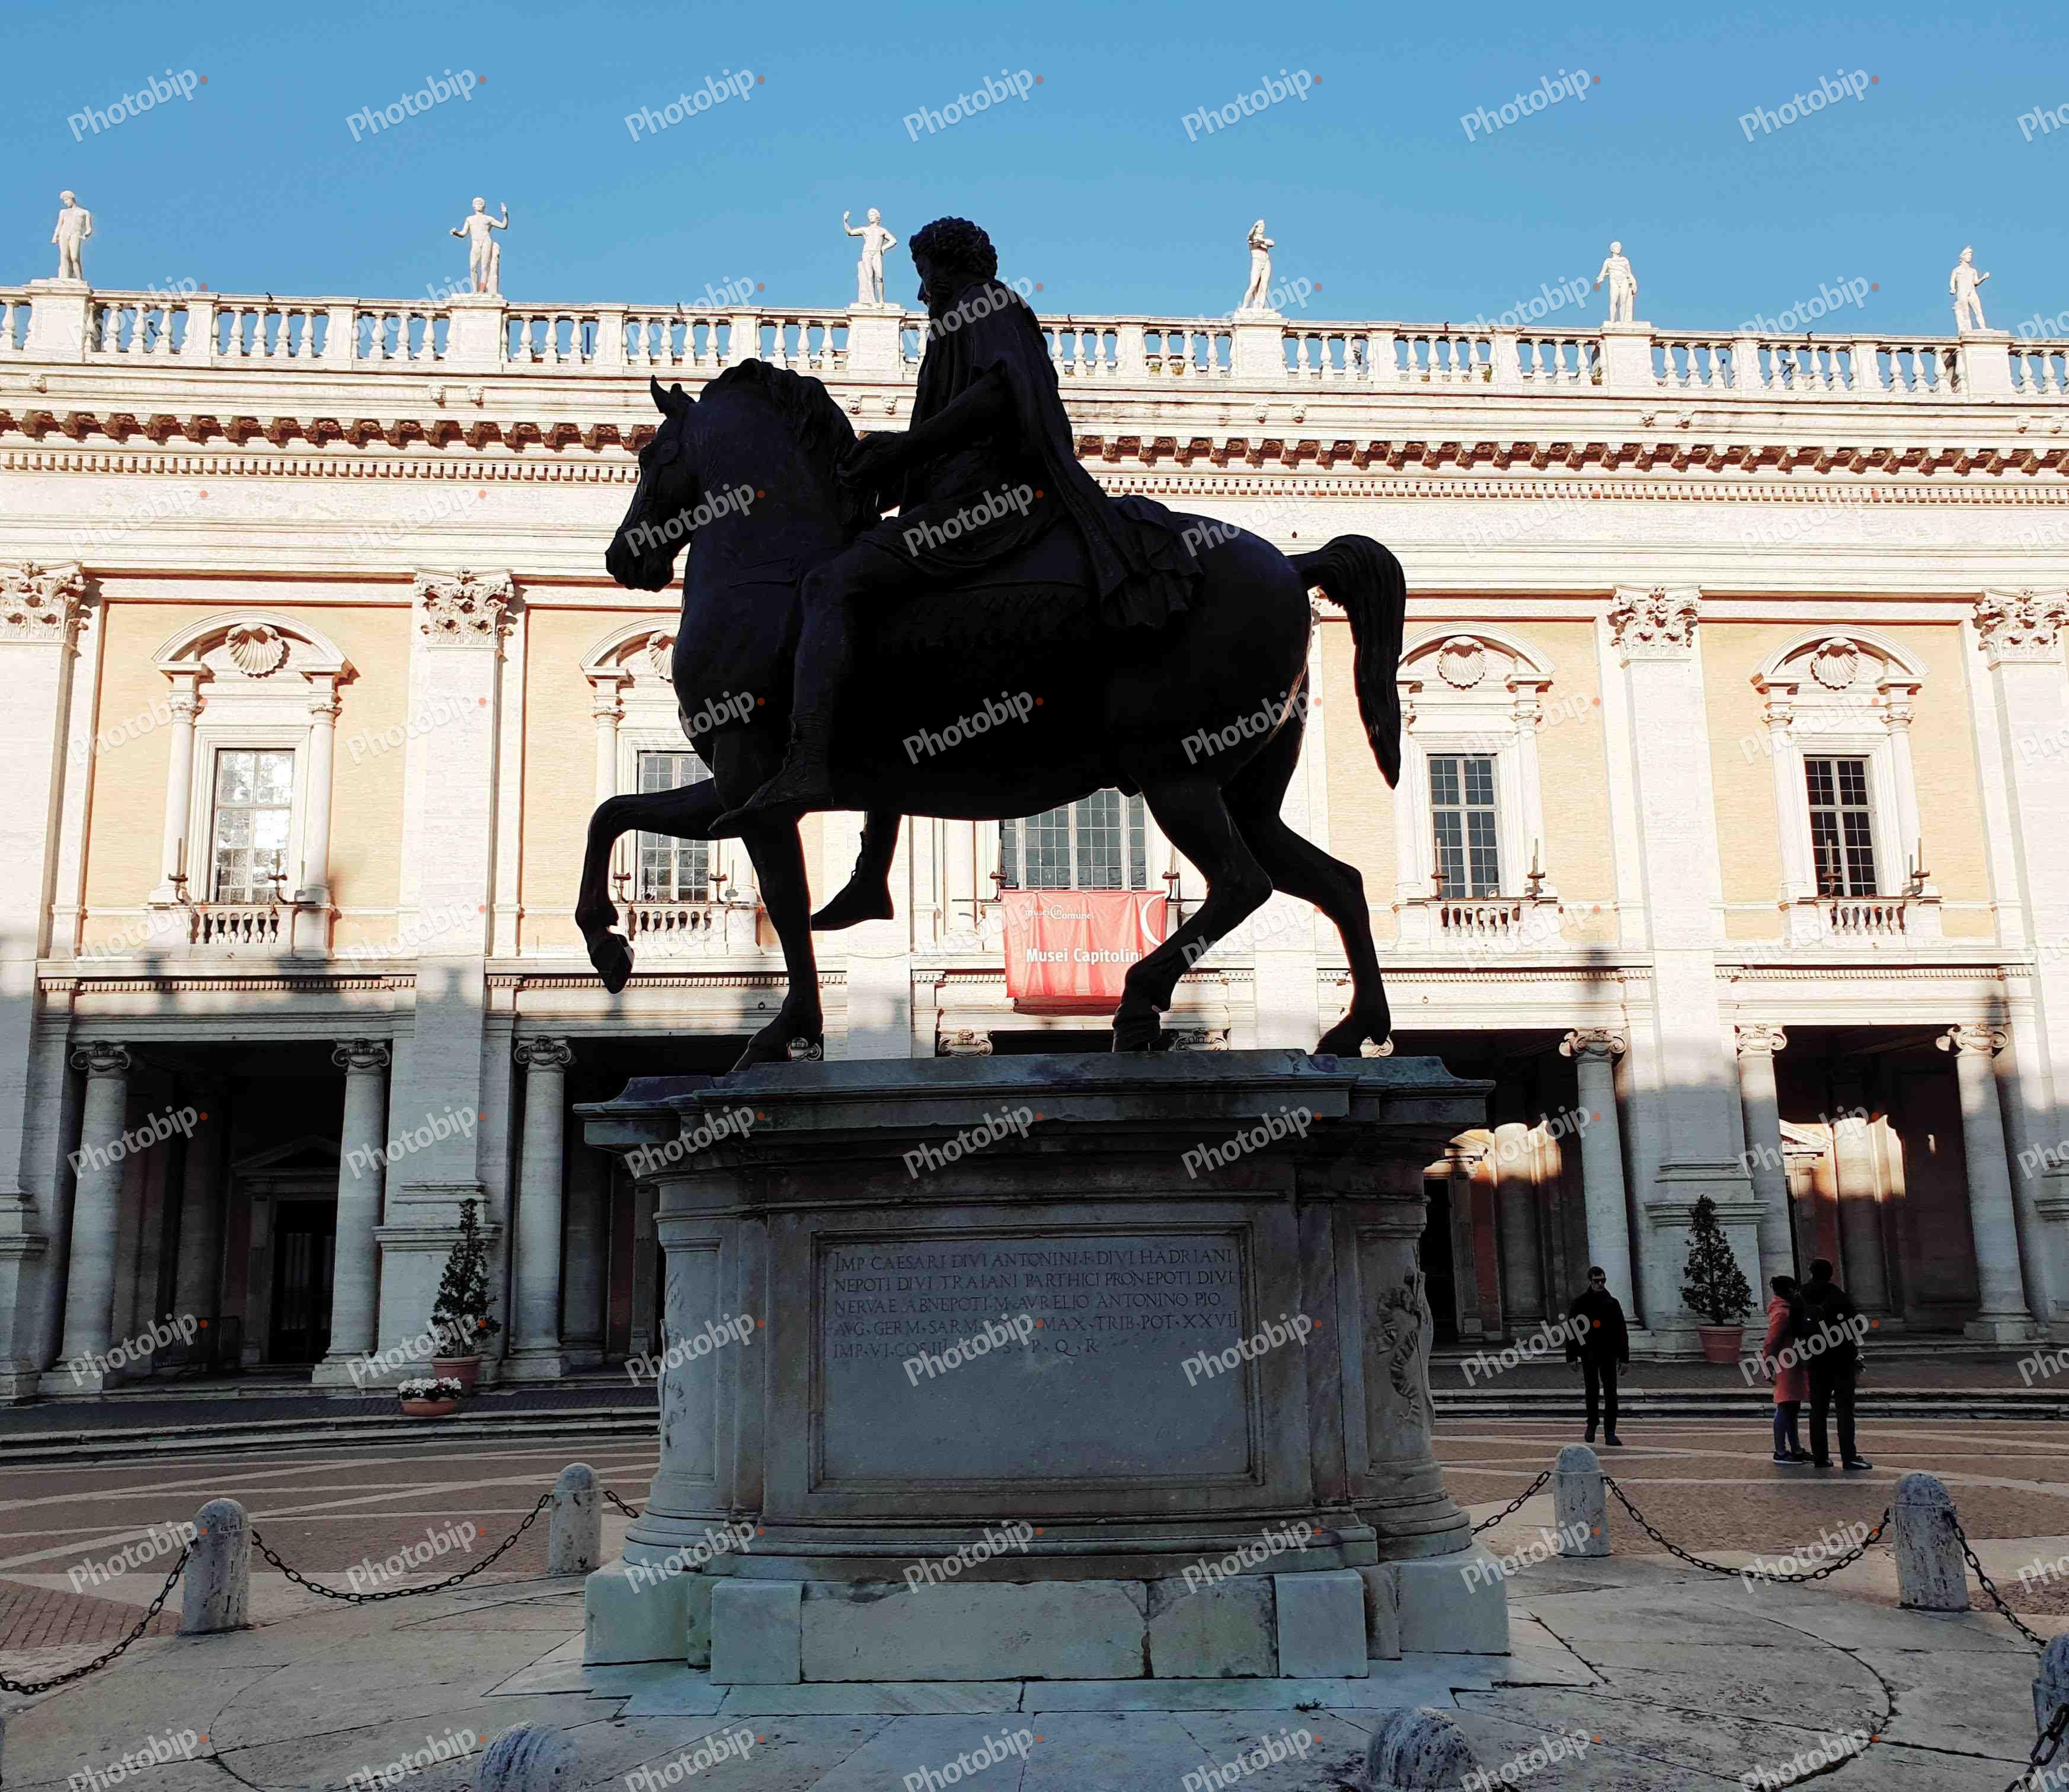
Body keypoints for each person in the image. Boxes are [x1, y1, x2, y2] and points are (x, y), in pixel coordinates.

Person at [718, 214, 1199, 828]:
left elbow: (996, 397)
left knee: (829, 585)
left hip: (993, 505)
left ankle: (807, 761)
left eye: (925, 274)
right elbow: (941, 444)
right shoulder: (962, 323)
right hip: (966, 498)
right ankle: (873, 852)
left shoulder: (983, 305)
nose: (920, 292)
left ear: (951, 267)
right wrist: (877, 470)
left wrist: (903, 449)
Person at [1791, 1259, 1872, 1471]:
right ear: (1830, 1274)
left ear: (1811, 1273)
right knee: (1845, 1411)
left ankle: (1820, 1457)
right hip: (1842, 1359)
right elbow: (1856, 1327)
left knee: (1818, 1410)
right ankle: (1849, 1457)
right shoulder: (1839, 1296)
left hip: (1816, 1359)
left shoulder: (1801, 1296)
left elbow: (1795, 1329)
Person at [1564, 1266, 1629, 1447]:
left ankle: (1610, 1432)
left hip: (1609, 1353)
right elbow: (1572, 1330)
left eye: (1603, 1280)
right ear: (1590, 1281)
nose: (1600, 1284)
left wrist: (1624, 1358)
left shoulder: (1613, 1303)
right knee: (1591, 1390)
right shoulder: (1580, 1303)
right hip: (1589, 1352)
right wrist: (1571, 1356)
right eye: (1597, 1281)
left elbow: (1621, 1331)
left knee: (1611, 1393)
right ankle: (1592, 1424)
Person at [1761, 1274, 1812, 1465]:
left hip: (1791, 1361)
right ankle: (1781, 1451)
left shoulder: (1785, 1309)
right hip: (1786, 1363)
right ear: (1788, 1290)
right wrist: (1767, 1364)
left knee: (1792, 1406)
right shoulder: (1782, 1313)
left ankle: (1795, 1449)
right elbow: (1772, 1341)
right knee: (1785, 1405)